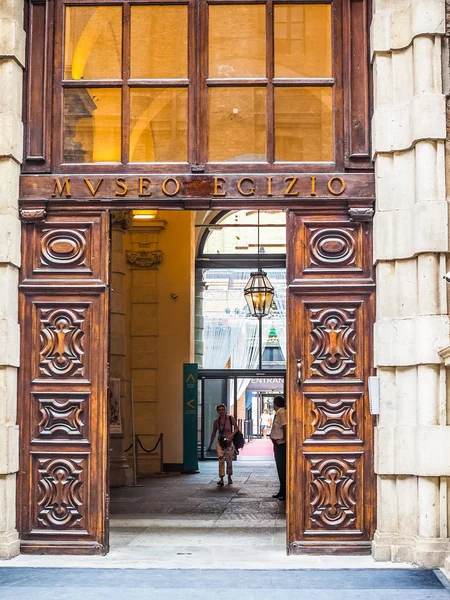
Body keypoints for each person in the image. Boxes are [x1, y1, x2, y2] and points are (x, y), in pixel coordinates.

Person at [206, 403, 239, 486]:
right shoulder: (216, 422)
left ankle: (229, 476)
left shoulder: (230, 418)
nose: (221, 411)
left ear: (225, 410)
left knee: (229, 460)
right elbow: (214, 433)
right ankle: (221, 479)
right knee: (221, 460)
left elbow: (236, 428)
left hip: (229, 442)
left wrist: (231, 435)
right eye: (219, 410)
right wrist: (210, 445)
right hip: (220, 442)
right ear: (217, 411)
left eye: (223, 410)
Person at [270, 395, 287, 501]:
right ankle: (282, 490)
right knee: (280, 468)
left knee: (282, 468)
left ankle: (284, 492)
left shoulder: (281, 413)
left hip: (281, 444)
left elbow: (285, 425)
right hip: (277, 444)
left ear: (275, 404)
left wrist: (284, 439)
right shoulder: (279, 412)